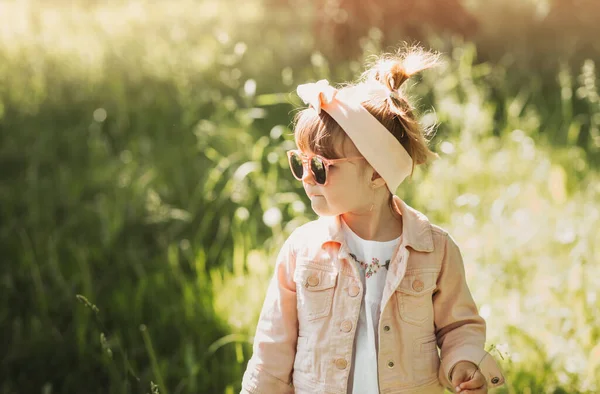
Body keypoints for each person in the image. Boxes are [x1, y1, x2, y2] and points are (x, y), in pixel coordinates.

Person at [241, 45, 505, 394]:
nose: (306, 178)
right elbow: (272, 349)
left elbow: (459, 326)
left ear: (377, 175)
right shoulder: (301, 252)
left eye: (320, 167)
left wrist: (463, 362)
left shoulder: (434, 250)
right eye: (299, 163)